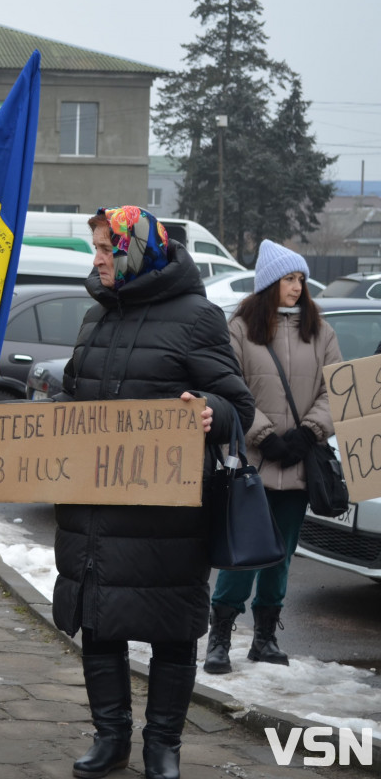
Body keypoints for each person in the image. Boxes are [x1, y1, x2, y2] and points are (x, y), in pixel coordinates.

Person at [47, 206, 253, 779]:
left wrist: (210, 412)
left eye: (105, 248)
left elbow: (239, 404)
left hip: (167, 513)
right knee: (99, 621)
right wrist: (12, 428)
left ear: (138, 249)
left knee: (171, 629)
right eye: (95, 249)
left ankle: (163, 745)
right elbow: (73, 405)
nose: (97, 259)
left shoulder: (197, 318)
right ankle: (110, 737)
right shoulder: (95, 318)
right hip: (92, 509)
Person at [203, 240, 339, 675]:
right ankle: (220, 636)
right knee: (243, 552)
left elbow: (334, 391)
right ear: (268, 283)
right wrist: (264, 435)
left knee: (281, 555)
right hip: (251, 464)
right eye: (289, 279)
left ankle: (265, 637)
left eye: (300, 279)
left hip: (298, 465)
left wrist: (307, 433)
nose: (297, 287)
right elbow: (230, 389)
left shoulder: (320, 330)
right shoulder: (240, 328)